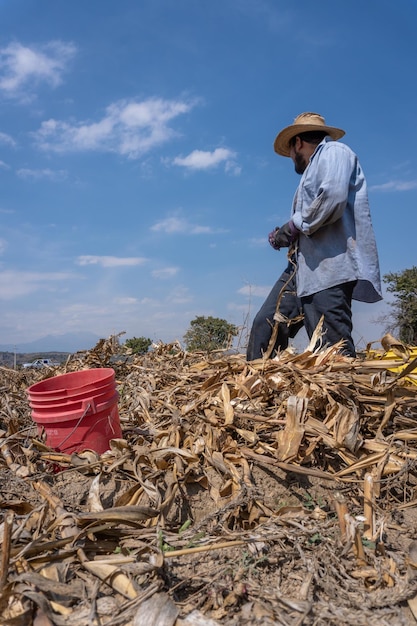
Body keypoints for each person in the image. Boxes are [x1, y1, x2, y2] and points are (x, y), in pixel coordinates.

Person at [246, 112, 382, 360]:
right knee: (265, 326)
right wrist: (284, 234)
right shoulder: (311, 173)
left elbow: (332, 198)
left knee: (330, 352)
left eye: (290, 151)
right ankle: (253, 393)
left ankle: (343, 395)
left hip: (328, 270)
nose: (291, 158)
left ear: (297, 143)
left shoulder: (335, 153)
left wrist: (294, 226)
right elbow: (310, 214)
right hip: (301, 270)